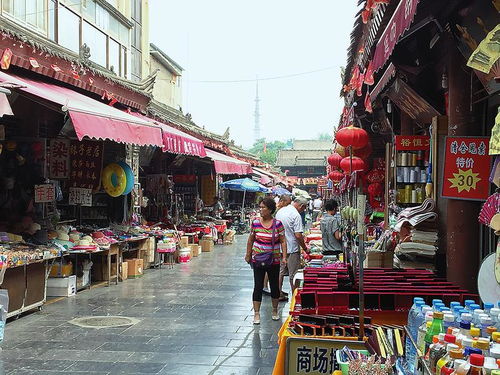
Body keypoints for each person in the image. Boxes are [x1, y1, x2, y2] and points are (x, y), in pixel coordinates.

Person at [245, 197, 287, 324]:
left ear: (270, 210)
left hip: (273, 260)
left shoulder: (278, 224)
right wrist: (248, 254)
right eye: (260, 207)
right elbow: (251, 239)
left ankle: (275, 310)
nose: (261, 210)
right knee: (258, 286)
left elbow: (283, 241)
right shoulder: (256, 223)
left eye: (263, 207)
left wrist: (284, 257)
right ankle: (256, 314)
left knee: (275, 286)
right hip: (258, 259)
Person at [276, 196, 309, 301]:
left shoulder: (281, 211)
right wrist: (305, 248)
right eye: (304, 208)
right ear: (301, 206)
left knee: (280, 272)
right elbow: (298, 235)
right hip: (292, 248)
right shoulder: (296, 215)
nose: (303, 210)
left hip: (280, 247)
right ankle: (296, 296)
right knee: (293, 274)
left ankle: (278, 293)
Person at [263, 194, 292, 296]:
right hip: (269, 245)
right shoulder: (277, 211)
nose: (289, 205)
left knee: (271, 267)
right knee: (269, 267)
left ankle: (273, 289)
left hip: (274, 244)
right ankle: (267, 287)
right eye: (287, 203)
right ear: (282, 201)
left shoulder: (280, 211)